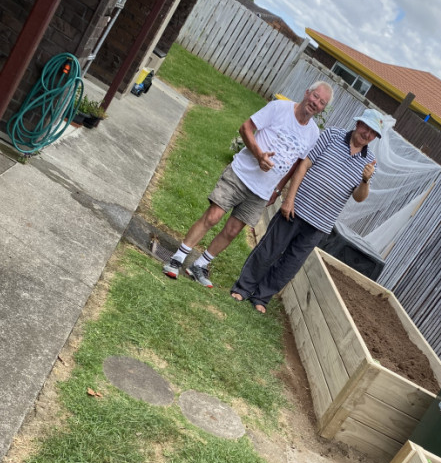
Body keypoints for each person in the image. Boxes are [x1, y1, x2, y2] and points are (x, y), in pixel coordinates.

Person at [163, 82, 333, 286]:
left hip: (262, 191)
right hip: (241, 174)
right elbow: (245, 128)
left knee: (233, 231)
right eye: (315, 96)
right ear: (307, 92)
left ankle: (200, 264)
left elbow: (296, 164)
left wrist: (278, 189)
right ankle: (178, 257)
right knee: (213, 216)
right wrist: (259, 155)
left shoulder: (313, 133)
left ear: (323, 108)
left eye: (322, 102)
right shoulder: (279, 108)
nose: (316, 103)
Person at [231, 108, 385, 313]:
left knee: (290, 264)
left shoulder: (369, 162)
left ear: (374, 137)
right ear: (358, 124)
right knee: (269, 249)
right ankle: (244, 287)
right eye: (366, 127)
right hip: (297, 207)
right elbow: (304, 164)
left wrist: (366, 180)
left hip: (321, 223)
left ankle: (262, 296)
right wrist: (289, 199)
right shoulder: (332, 135)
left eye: (373, 132)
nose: (367, 134)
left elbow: (359, 197)